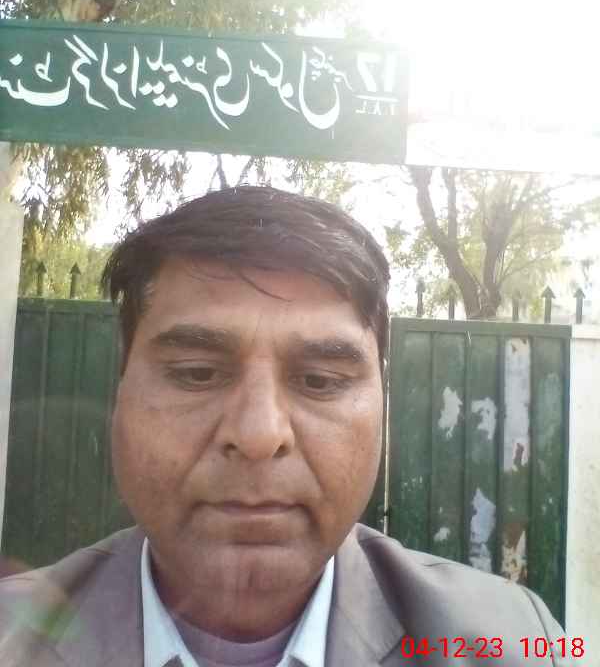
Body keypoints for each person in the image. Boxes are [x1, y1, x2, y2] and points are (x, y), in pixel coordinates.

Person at [0, 186, 571, 666]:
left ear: (383, 410)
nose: (259, 435)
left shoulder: (511, 644)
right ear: (120, 394)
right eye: (197, 373)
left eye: (320, 380)